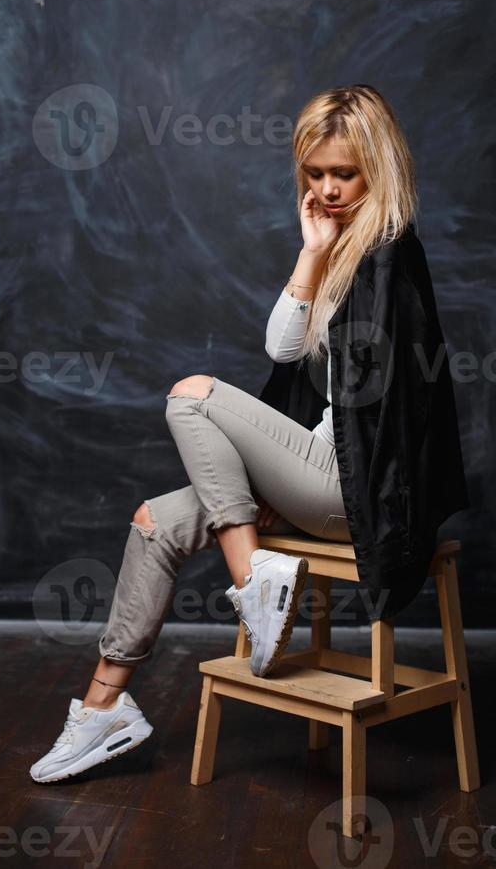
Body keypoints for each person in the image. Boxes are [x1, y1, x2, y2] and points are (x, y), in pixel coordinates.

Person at [29, 85, 419, 784]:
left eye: (344, 174)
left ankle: (254, 580)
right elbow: (283, 352)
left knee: (192, 397)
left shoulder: (389, 260)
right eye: (315, 173)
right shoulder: (337, 246)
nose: (327, 189)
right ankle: (102, 711)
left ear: (378, 169)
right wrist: (311, 253)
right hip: (312, 473)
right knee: (154, 523)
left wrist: (276, 480)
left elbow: (390, 418)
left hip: (350, 486)